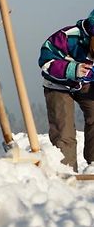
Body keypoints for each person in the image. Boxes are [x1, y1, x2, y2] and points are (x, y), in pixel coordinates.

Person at [38, 9, 94, 172]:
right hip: (58, 85)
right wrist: (72, 70)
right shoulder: (67, 36)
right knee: (64, 130)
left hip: (87, 84)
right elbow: (45, 62)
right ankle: (66, 170)